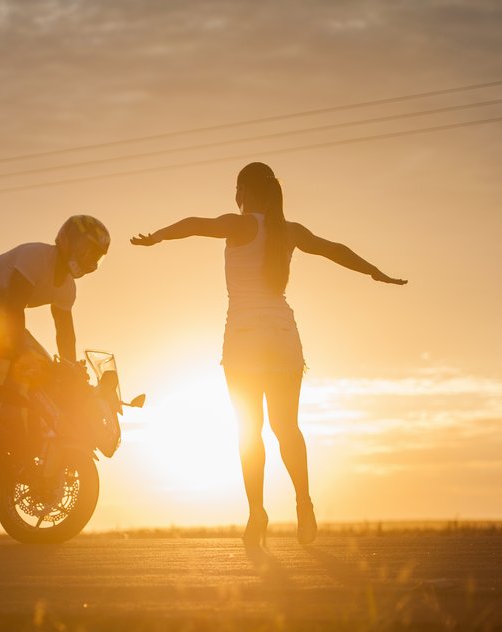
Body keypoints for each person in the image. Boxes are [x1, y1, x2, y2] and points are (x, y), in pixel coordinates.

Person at [131, 163, 406, 547]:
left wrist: (158, 236)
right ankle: (304, 503)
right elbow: (334, 250)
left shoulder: (238, 224)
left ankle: (257, 513)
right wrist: (374, 271)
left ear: (243, 191)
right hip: (282, 335)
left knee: (250, 430)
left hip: (243, 338)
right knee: (286, 427)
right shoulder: (289, 231)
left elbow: (194, 224)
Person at [0, 215, 110, 450]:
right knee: (6, 354)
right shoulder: (36, 256)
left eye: (96, 256)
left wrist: (70, 368)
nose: (90, 260)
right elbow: (15, 306)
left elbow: (65, 332)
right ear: (70, 240)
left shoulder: (67, 288)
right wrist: (20, 351)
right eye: (88, 250)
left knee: (31, 360)